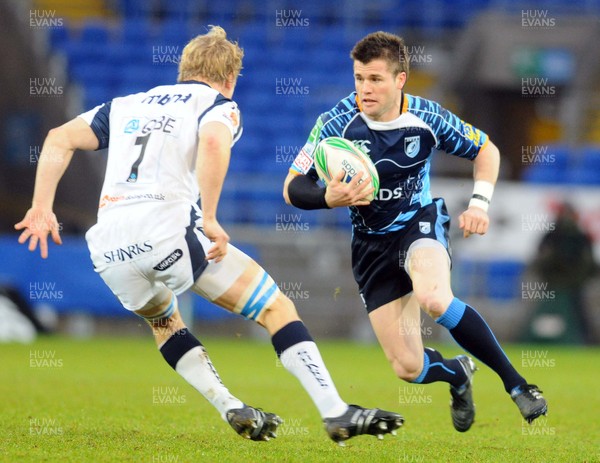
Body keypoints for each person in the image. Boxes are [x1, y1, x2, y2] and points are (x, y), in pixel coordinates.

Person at [15, 26, 402, 445]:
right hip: (168, 231)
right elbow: (215, 142)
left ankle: (228, 404)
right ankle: (335, 411)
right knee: (276, 307)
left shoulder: (126, 105)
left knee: (165, 323)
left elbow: (58, 138)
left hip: (109, 244)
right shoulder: (219, 104)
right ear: (230, 79)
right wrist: (212, 218)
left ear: (184, 70)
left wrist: (40, 207)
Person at [283, 31, 548, 431]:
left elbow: (486, 150)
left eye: (375, 79)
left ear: (400, 79)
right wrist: (327, 198)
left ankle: (518, 386)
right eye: (359, 78)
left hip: (418, 224)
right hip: (370, 245)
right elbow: (292, 188)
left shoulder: (427, 117)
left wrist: (479, 203)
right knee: (407, 368)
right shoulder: (335, 122)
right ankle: (458, 374)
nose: (365, 89)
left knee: (434, 298)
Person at [527, 202, 597, 344]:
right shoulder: (551, 236)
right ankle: (539, 339)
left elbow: (588, 262)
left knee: (579, 315)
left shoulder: (581, 237)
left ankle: (586, 341)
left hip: (575, 285)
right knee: (546, 312)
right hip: (551, 284)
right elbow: (541, 259)